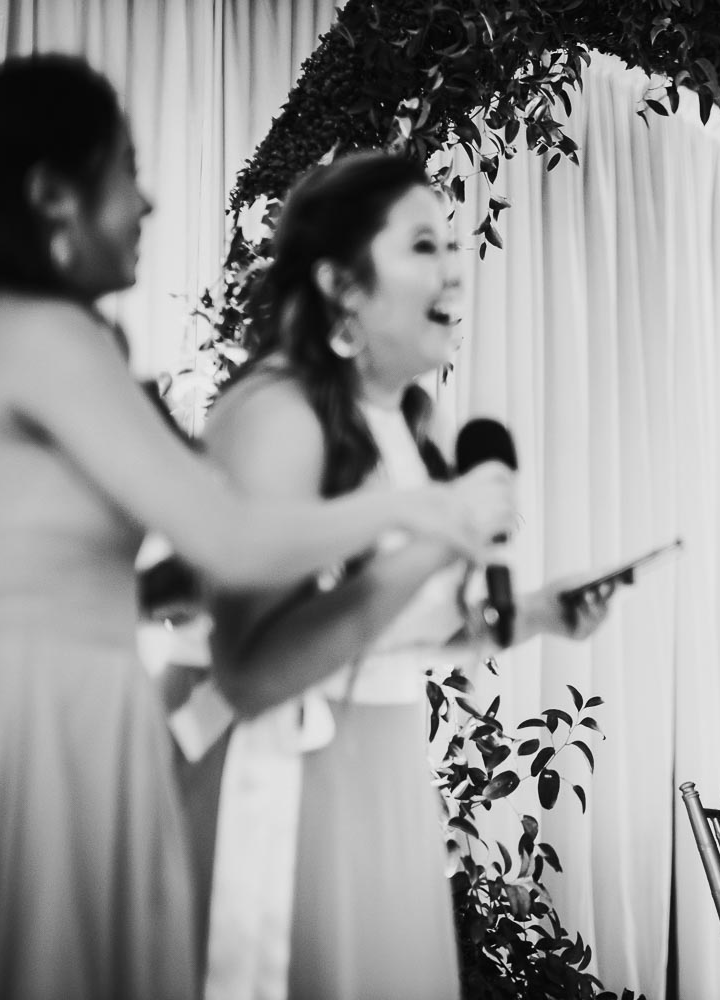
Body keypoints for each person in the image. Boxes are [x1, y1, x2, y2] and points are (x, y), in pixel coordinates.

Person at [0, 57, 511, 999]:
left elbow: (102, 567)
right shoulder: (37, 331)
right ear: (51, 196)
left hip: (16, 694)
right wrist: (423, 509)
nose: (147, 203)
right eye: (125, 171)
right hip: (38, 715)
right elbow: (228, 536)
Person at [174, 151, 615, 1000]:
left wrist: (537, 614)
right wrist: (429, 535)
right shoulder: (277, 412)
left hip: (381, 775)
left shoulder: (404, 420)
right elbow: (254, 671)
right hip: (284, 785)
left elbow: (396, 629)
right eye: (423, 244)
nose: (454, 266)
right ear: (342, 283)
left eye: (451, 243)